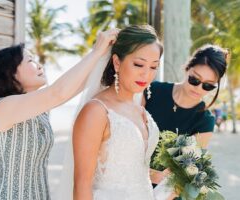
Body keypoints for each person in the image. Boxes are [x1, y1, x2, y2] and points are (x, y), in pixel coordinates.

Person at [0, 29, 118, 200]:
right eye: (31, 60)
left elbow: (76, 86)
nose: (40, 65)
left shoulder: (39, 110)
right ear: (10, 73)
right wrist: (96, 50)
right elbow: (59, 92)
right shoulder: (2, 107)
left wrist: (107, 55)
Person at [72, 25, 163, 200]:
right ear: (117, 62)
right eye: (139, 64)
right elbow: (81, 185)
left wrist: (166, 178)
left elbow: (134, 169)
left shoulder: (141, 110)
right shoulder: (97, 111)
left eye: (153, 67)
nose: (146, 74)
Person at [142, 44, 228, 189]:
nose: (198, 88)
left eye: (208, 86)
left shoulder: (205, 121)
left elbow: (181, 171)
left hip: (165, 191)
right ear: (187, 68)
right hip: (130, 180)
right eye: (195, 80)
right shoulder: (153, 91)